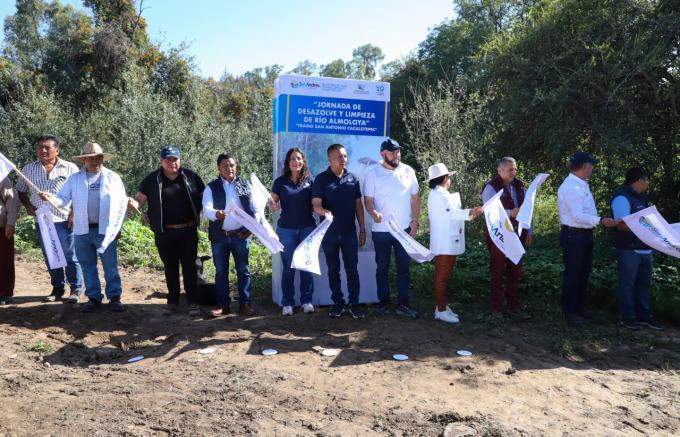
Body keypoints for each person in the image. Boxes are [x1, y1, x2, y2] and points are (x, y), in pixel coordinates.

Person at [40, 142, 127, 312]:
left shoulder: (112, 177)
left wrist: (118, 227)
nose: (95, 161)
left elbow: (121, 204)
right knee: (88, 266)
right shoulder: (75, 179)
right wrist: (50, 198)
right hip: (82, 230)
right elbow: (62, 199)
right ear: (84, 160)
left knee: (110, 266)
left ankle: (115, 297)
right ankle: (94, 297)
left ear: (102, 159)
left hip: (106, 229)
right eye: (91, 158)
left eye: (98, 158)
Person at [129, 146, 205, 316]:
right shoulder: (152, 179)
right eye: (168, 159)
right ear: (161, 161)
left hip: (188, 230)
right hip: (164, 232)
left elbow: (204, 198)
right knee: (170, 266)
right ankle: (173, 301)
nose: (172, 163)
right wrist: (133, 203)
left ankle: (193, 302)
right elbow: (140, 199)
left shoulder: (191, 177)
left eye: (175, 159)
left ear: (180, 160)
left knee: (190, 267)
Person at [17, 134, 84, 303]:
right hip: (42, 219)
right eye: (40, 147)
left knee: (70, 255)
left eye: (47, 147)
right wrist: (28, 206)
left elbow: (78, 193)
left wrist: (73, 214)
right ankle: (57, 288)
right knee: (51, 255)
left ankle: (76, 288)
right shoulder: (28, 169)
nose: (43, 150)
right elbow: (20, 189)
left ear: (57, 150)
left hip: (64, 218)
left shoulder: (70, 168)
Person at [557, 152, 617, 324]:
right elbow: (577, 216)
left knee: (583, 272)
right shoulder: (571, 187)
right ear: (584, 167)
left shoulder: (581, 184)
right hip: (574, 235)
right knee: (574, 274)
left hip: (583, 234)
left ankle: (580, 308)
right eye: (591, 165)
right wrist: (600, 220)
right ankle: (570, 312)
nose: (592, 169)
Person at [363, 138, 420, 317]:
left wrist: (415, 221)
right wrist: (373, 213)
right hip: (381, 232)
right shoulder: (372, 173)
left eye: (398, 151)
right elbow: (368, 202)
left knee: (404, 268)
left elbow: (415, 198)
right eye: (392, 151)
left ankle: (403, 304)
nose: (397, 155)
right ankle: (384, 304)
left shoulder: (408, 171)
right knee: (382, 268)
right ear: (383, 153)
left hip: (403, 230)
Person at [312, 143, 366, 319]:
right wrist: (323, 211)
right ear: (330, 159)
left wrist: (363, 230)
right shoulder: (321, 179)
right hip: (329, 234)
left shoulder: (353, 179)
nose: (343, 159)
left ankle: (354, 304)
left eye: (345, 156)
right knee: (333, 270)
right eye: (339, 157)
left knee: (352, 270)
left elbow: (359, 206)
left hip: (350, 232)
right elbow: (316, 205)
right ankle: (338, 303)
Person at [427, 163, 483, 323]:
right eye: (448, 177)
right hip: (445, 241)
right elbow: (453, 213)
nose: (449, 179)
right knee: (442, 277)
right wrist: (472, 212)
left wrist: (470, 213)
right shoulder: (440, 195)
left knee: (443, 276)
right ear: (445, 178)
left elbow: (451, 213)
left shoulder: (438, 193)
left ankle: (441, 306)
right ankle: (441, 310)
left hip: (445, 240)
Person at [202, 153, 256, 317]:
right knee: (221, 271)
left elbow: (255, 207)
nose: (229, 168)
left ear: (236, 166)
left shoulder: (244, 185)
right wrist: (216, 214)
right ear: (219, 168)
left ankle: (244, 304)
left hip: (241, 235)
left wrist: (253, 227)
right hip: (220, 236)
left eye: (232, 165)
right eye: (225, 166)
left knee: (243, 270)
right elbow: (207, 209)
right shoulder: (211, 187)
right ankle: (223, 305)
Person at [611, 167, 664, 331]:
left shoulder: (643, 199)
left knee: (644, 285)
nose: (647, 184)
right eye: (646, 180)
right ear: (639, 181)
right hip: (629, 249)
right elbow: (622, 225)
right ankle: (628, 317)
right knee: (627, 284)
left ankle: (644, 316)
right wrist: (645, 228)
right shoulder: (622, 198)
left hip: (646, 249)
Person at [481, 157, 532, 319]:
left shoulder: (520, 186)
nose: (514, 172)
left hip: (517, 235)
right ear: (500, 170)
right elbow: (488, 210)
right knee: (497, 271)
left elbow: (528, 210)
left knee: (515, 271)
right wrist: (511, 213)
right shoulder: (490, 187)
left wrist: (530, 231)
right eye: (510, 169)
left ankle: (513, 306)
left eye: (515, 169)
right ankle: (495, 308)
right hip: (498, 236)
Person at [270, 147, 316, 316]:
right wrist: (273, 205)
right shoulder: (280, 181)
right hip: (286, 230)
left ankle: (306, 301)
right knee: (289, 267)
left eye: (298, 158)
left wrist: (325, 212)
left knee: (306, 266)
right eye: (292, 159)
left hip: (307, 229)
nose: (296, 162)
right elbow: (272, 204)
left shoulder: (311, 181)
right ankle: (287, 303)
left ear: (303, 161)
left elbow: (316, 203)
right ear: (288, 163)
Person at [0, 176, 20, 305]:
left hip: (1, 226)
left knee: (3, 260)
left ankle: (5, 293)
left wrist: (10, 223)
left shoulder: (1, 176)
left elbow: (12, 200)